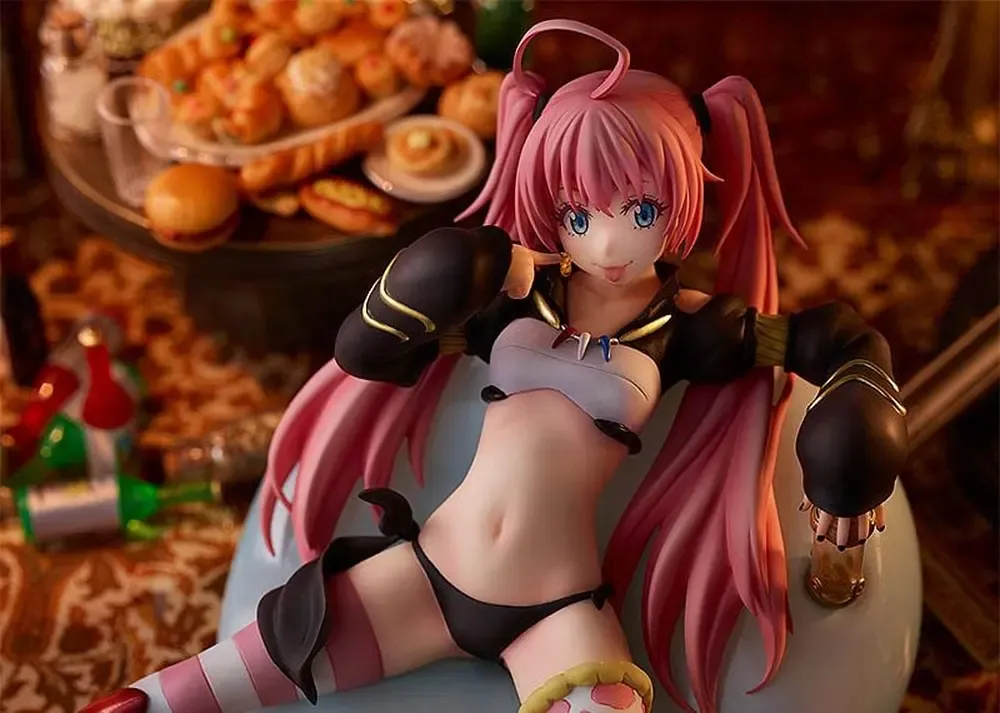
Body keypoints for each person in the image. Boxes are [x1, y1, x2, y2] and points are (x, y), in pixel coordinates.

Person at [82, 19, 908, 713]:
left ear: (683, 201)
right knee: (195, 687)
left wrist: (858, 422)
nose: (609, 241)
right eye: (580, 213)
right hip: (426, 577)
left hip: (558, 610)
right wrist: (443, 271)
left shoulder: (691, 328)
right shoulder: (512, 295)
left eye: (641, 210)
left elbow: (832, 340)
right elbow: (367, 352)